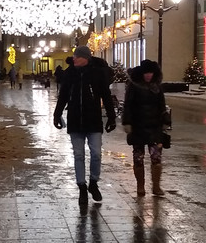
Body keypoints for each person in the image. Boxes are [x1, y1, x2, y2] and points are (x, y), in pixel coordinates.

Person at [53, 46, 115, 205]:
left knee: (96, 153)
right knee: (78, 155)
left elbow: (106, 96)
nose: (74, 58)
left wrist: (111, 116)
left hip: (93, 120)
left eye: (77, 56)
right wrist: (57, 114)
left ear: (85, 58)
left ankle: (93, 183)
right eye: (74, 56)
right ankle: (82, 187)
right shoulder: (70, 74)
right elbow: (64, 96)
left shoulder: (97, 74)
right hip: (75, 120)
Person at [122, 59, 168, 197]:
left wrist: (165, 120)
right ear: (142, 74)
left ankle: (156, 186)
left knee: (156, 158)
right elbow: (128, 105)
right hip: (138, 127)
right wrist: (127, 122)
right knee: (138, 158)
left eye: (151, 73)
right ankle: (140, 186)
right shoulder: (134, 86)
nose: (148, 76)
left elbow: (162, 105)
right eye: (146, 73)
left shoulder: (157, 87)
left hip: (155, 127)